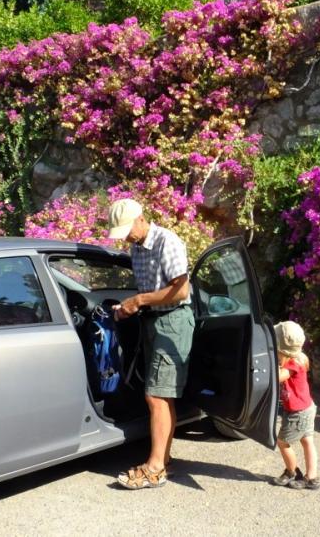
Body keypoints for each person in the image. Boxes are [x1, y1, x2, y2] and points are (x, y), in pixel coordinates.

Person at [107, 198, 195, 490]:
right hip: (151, 321)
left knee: (156, 396)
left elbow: (181, 291)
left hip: (172, 322)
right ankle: (163, 459)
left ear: (140, 219)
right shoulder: (136, 247)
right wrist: (128, 307)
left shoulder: (166, 242)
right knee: (161, 395)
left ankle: (154, 468)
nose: (126, 238)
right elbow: (149, 291)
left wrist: (140, 299)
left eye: (127, 231)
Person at [272, 320, 320, 490]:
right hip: (307, 407)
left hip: (297, 412)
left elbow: (278, 377)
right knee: (308, 441)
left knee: (282, 442)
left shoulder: (292, 364)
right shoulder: (300, 358)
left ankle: (292, 472)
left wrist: (269, 366)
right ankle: (312, 477)